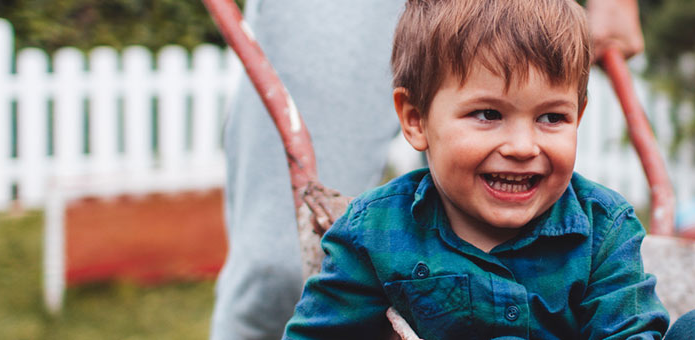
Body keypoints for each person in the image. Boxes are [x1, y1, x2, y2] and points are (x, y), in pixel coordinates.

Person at [211, 0, 645, 338]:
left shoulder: (603, 232)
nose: (521, 146)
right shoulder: (374, 234)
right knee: (279, 264)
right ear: (415, 119)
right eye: (488, 114)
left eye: (552, 118)